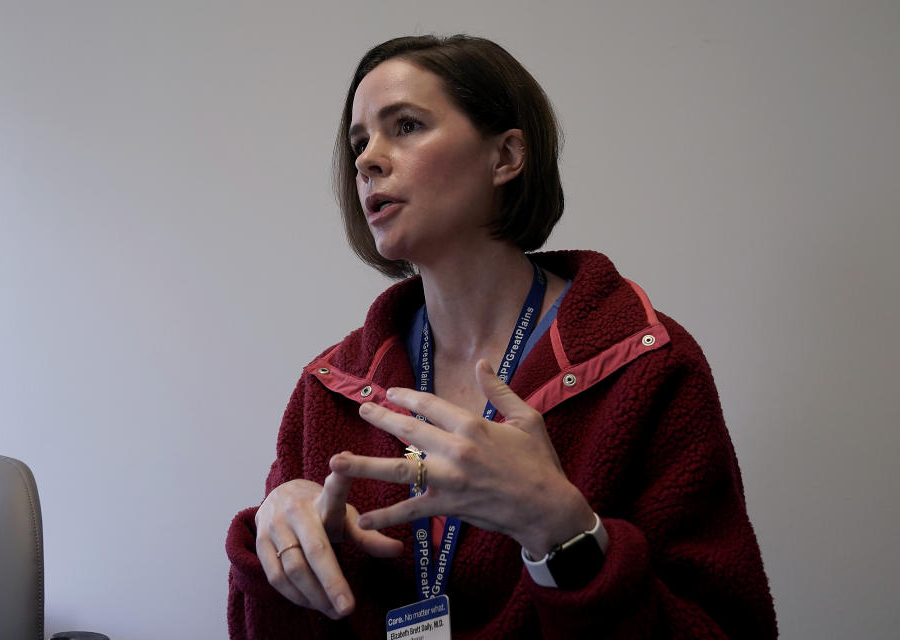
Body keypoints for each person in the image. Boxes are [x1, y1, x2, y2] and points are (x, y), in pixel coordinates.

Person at [226, 35, 777, 639]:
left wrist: (565, 532)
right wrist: (270, 542)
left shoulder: (648, 367)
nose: (366, 161)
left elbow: (727, 627)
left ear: (506, 157)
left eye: (405, 126)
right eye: (359, 143)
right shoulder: (328, 389)